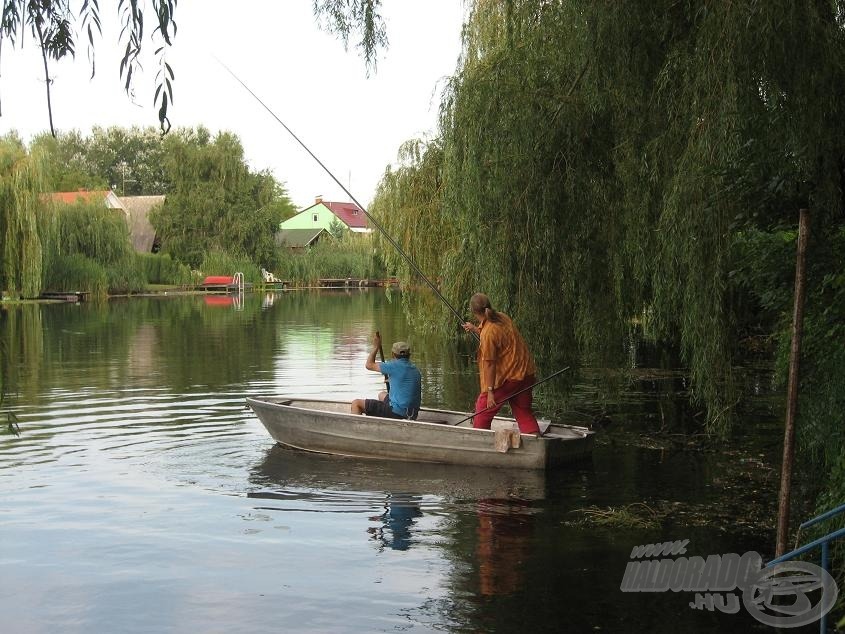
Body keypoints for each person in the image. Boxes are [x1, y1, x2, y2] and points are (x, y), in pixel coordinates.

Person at [462, 292, 541, 435]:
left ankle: (478, 441)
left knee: (483, 409)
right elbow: (496, 337)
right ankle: (535, 441)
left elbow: (490, 364)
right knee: (523, 410)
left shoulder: (488, 333)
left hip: (510, 377)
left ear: (473, 311)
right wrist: (476, 329)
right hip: (526, 373)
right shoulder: (502, 317)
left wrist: (491, 392)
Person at [351, 332, 422, 420]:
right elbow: (405, 381)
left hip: (397, 413)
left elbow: (369, 365)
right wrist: (393, 380)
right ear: (409, 355)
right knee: (382, 395)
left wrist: (376, 347)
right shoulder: (415, 369)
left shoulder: (392, 366)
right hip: (412, 414)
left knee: (356, 403)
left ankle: (358, 430)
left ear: (393, 354)